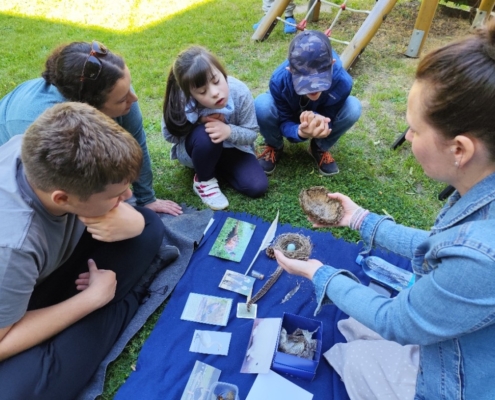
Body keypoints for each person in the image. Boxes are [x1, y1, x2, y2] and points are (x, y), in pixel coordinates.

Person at [275, 24, 495, 399]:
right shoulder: (480, 198)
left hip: (459, 381)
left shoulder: (483, 256)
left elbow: (397, 322)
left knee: (351, 355)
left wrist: (317, 273)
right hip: (459, 340)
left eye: (414, 130)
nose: (407, 138)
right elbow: (440, 246)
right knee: (354, 328)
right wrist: (358, 218)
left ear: (460, 149)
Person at [0, 102, 179, 400]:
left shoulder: (33, 152)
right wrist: (91, 299)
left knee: (147, 226)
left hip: (42, 273)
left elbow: (139, 221)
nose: (128, 196)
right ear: (63, 198)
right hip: (10, 318)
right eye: (115, 194)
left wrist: (130, 220)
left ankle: (100, 302)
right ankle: (125, 299)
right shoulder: (12, 247)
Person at [0, 40, 182, 216]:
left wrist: (147, 199)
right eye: (121, 99)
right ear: (90, 106)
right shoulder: (43, 126)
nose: (134, 98)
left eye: (129, 87)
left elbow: (138, 142)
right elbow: (59, 187)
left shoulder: (116, 87)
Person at [162, 46, 268, 210]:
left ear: (221, 72)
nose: (215, 93)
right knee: (206, 135)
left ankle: (215, 166)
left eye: (217, 81)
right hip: (197, 148)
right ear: (190, 94)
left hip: (234, 147)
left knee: (257, 186)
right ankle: (204, 180)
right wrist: (199, 121)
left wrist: (228, 131)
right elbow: (169, 135)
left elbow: (252, 133)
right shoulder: (181, 100)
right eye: (202, 92)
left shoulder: (239, 91)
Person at [255, 30, 361, 175]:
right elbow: (284, 119)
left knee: (353, 108)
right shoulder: (278, 80)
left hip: (318, 115)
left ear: (332, 64)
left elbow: (330, 114)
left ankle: (319, 147)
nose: (313, 87)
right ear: (290, 70)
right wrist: (299, 132)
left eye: (320, 79)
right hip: (291, 111)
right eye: (305, 81)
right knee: (262, 105)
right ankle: (274, 145)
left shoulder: (343, 82)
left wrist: (321, 125)